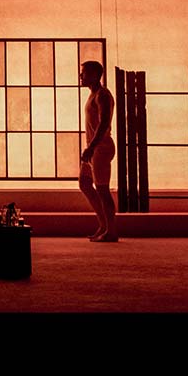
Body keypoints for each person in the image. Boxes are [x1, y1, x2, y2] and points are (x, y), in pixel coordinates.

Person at [78, 60, 118, 242]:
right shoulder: (92, 94)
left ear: (95, 75)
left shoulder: (103, 95)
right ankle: (103, 225)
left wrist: (91, 147)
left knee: (102, 190)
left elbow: (104, 124)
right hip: (92, 148)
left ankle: (111, 231)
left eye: (84, 73)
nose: (81, 76)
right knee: (84, 183)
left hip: (100, 148)